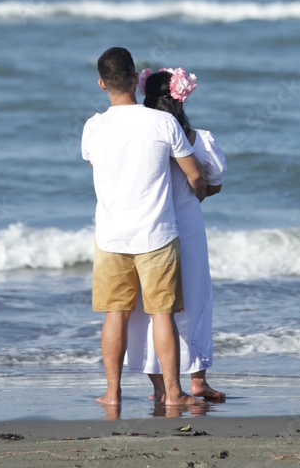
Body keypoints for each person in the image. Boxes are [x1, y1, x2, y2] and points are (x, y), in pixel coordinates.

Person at [81, 47, 206, 409]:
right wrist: (198, 195)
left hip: (111, 236)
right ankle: (173, 392)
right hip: (156, 235)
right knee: (161, 315)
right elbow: (194, 174)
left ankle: (112, 393)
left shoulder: (93, 127)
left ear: (102, 83)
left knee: (114, 314)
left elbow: (99, 172)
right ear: (136, 79)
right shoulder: (161, 123)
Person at [126, 67, 227, 402]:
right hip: (188, 228)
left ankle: (159, 385)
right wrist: (193, 194)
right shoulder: (199, 139)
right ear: (180, 100)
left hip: (150, 229)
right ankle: (197, 379)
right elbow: (214, 184)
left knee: (152, 307)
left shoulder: (142, 141)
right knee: (196, 302)